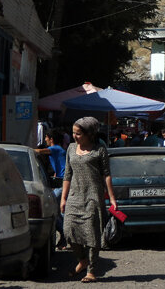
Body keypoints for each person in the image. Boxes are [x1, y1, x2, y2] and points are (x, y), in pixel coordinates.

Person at [60, 117, 117, 283]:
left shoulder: (99, 150)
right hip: (74, 197)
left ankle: (91, 270)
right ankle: (82, 260)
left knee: (92, 234)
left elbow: (106, 174)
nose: (75, 136)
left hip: (93, 196)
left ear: (89, 134)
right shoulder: (71, 148)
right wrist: (63, 198)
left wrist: (112, 198)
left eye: (78, 133)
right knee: (68, 231)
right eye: (73, 133)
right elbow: (67, 174)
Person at [35, 131, 66, 248]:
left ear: (51, 139)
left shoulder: (56, 148)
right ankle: (65, 237)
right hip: (61, 182)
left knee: (53, 210)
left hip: (63, 183)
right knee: (59, 212)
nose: (45, 140)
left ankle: (65, 234)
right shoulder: (59, 149)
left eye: (46, 138)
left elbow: (38, 151)